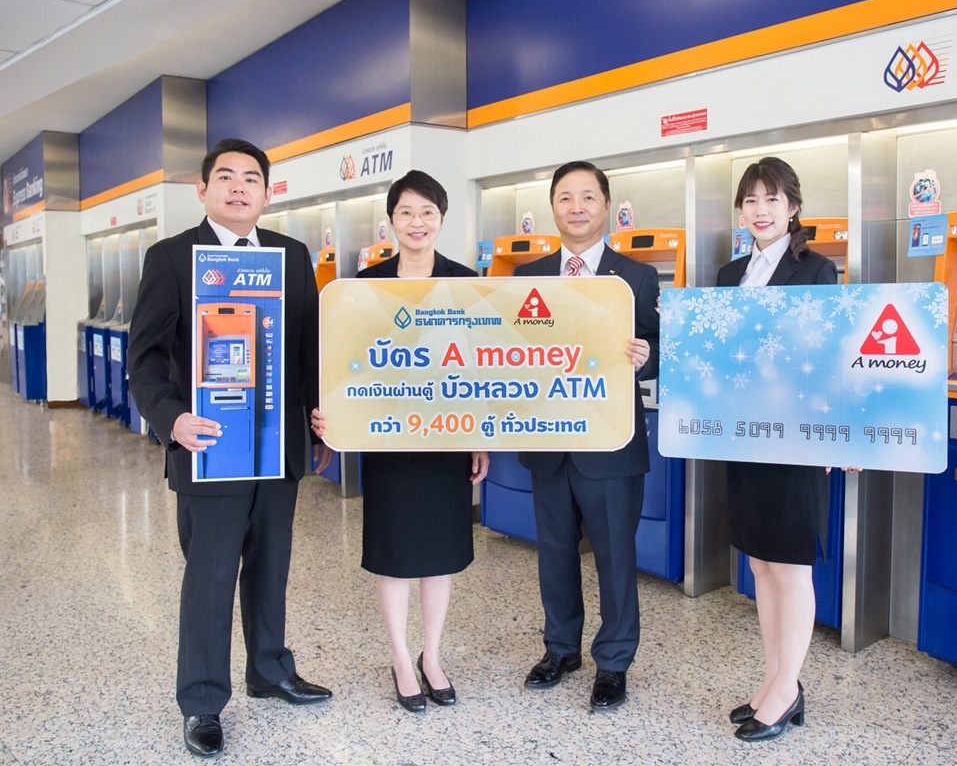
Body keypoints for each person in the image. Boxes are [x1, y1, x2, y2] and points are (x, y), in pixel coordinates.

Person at [127, 138, 334, 758]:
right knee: (211, 578)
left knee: (271, 569)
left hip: (277, 448)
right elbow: (145, 358)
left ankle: (269, 670)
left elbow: (308, 348)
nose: (239, 187)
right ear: (203, 189)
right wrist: (172, 420)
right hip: (210, 448)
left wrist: (317, 420)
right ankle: (202, 701)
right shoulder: (172, 258)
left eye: (251, 178)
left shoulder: (291, 255)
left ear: (267, 193)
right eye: (226, 177)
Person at [310, 170, 489, 714]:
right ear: (391, 220)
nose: (417, 222)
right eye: (407, 212)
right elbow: (344, 358)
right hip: (388, 439)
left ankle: (433, 656)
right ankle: (400, 659)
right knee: (393, 553)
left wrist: (480, 435)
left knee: (440, 553)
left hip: (446, 439)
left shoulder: (465, 282)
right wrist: (331, 415)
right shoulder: (364, 285)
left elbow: (482, 365)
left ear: (441, 219)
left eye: (428, 212)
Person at [513, 161, 659, 711]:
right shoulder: (526, 277)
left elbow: (661, 349)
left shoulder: (636, 276)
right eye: (565, 197)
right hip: (548, 441)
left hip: (611, 444)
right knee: (553, 553)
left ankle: (614, 663)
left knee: (615, 558)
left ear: (606, 206)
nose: (576, 207)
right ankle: (560, 649)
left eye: (587, 197)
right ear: (553, 206)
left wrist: (647, 358)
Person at [718, 156, 838, 743]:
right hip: (743, 436)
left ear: (793, 207)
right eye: (750, 200)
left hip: (795, 439)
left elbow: (829, 354)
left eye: (772, 199)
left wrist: (840, 430)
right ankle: (774, 680)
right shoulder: (729, 273)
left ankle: (787, 689)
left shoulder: (816, 269)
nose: (760, 210)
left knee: (790, 567)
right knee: (761, 563)